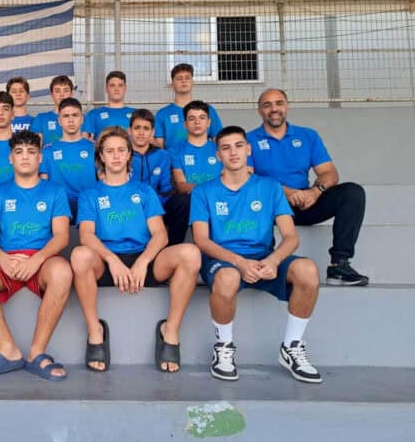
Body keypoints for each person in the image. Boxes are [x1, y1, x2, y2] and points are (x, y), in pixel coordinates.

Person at [190, 125, 322, 383]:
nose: (233, 152)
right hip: (224, 261)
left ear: (248, 149)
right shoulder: (203, 191)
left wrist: (273, 260)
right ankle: (224, 348)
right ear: (218, 155)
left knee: (307, 270)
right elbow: (201, 240)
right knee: (227, 277)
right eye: (226, 148)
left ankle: (291, 347)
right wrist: (240, 262)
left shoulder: (270, 187)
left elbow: (291, 236)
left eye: (239, 146)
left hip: (264, 258)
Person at [71, 127, 201, 373]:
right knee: (79, 255)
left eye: (121, 150)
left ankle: (170, 330)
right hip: (107, 264)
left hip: (144, 261)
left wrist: (143, 261)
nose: (116, 156)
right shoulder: (90, 194)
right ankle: (95, 330)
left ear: (129, 154)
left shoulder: (144, 191)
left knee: (191, 253)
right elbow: (86, 235)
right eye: (110, 151)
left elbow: (160, 234)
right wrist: (112, 260)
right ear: (101, 156)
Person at [0, 130, 73, 381]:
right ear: (10, 158)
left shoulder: (55, 191)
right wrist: (3, 259)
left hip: (42, 261)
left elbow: (61, 237)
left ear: (40, 158)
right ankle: (8, 350)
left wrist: (37, 260)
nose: (25, 157)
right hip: (6, 261)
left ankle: (37, 353)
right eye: (19, 152)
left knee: (62, 271)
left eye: (31, 152)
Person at [248, 88, 368, 286]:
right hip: (270, 205)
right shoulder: (249, 140)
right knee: (252, 198)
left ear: (287, 107)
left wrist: (314, 192)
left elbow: (329, 173)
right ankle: (264, 265)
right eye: (267, 105)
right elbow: (248, 178)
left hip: (305, 202)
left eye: (279, 103)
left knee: (352, 192)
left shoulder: (308, 136)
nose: (274, 109)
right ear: (260, 110)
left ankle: (339, 265)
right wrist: (286, 192)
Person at [128, 109, 190, 245]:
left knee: (183, 202)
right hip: (131, 204)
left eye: (146, 128)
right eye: (137, 128)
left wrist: (155, 206)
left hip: (158, 204)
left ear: (152, 132)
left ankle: (173, 247)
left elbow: (166, 188)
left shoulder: (163, 155)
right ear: (130, 130)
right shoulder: (123, 154)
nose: (141, 132)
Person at [39, 97, 97, 221]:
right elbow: (43, 184)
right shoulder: (48, 150)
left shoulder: (94, 148)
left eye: (75, 115)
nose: (71, 120)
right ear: (59, 121)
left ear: (82, 119)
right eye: (66, 116)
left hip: (89, 204)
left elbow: (103, 178)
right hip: (59, 206)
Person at [154, 63, 223, 150]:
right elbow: (159, 147)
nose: (184, 81)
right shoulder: (163, 114)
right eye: (179, 78)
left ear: (192, 82)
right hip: (173, 158)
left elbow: (218, 140)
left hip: (202, 157)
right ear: (172, 84)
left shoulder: (207, 110)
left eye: (187, 78)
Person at [171, 100, 223, 194]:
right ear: (185, 124)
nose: (197, 122)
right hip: (190, 198)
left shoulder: (220, 150)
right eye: (192, 119)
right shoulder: (175, 151)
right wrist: (206, 190)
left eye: (202, 118)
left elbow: (227, 180)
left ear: (209, 122)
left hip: (219, 197)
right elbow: (181, 185)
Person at [83, 71, 136, 140]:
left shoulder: (136, 114)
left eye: (120, 85)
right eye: (112, 85)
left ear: (125, 88)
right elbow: (85, 141)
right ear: (106, 88)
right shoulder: (94, 114)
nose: (116, 89)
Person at [32, 75, 74, 145]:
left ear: (71, 94)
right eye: (57, 91)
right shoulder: (41, 118)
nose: (62, 94)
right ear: (52, 95)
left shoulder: (80, 118)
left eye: (65, 90)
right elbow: (36, 147)